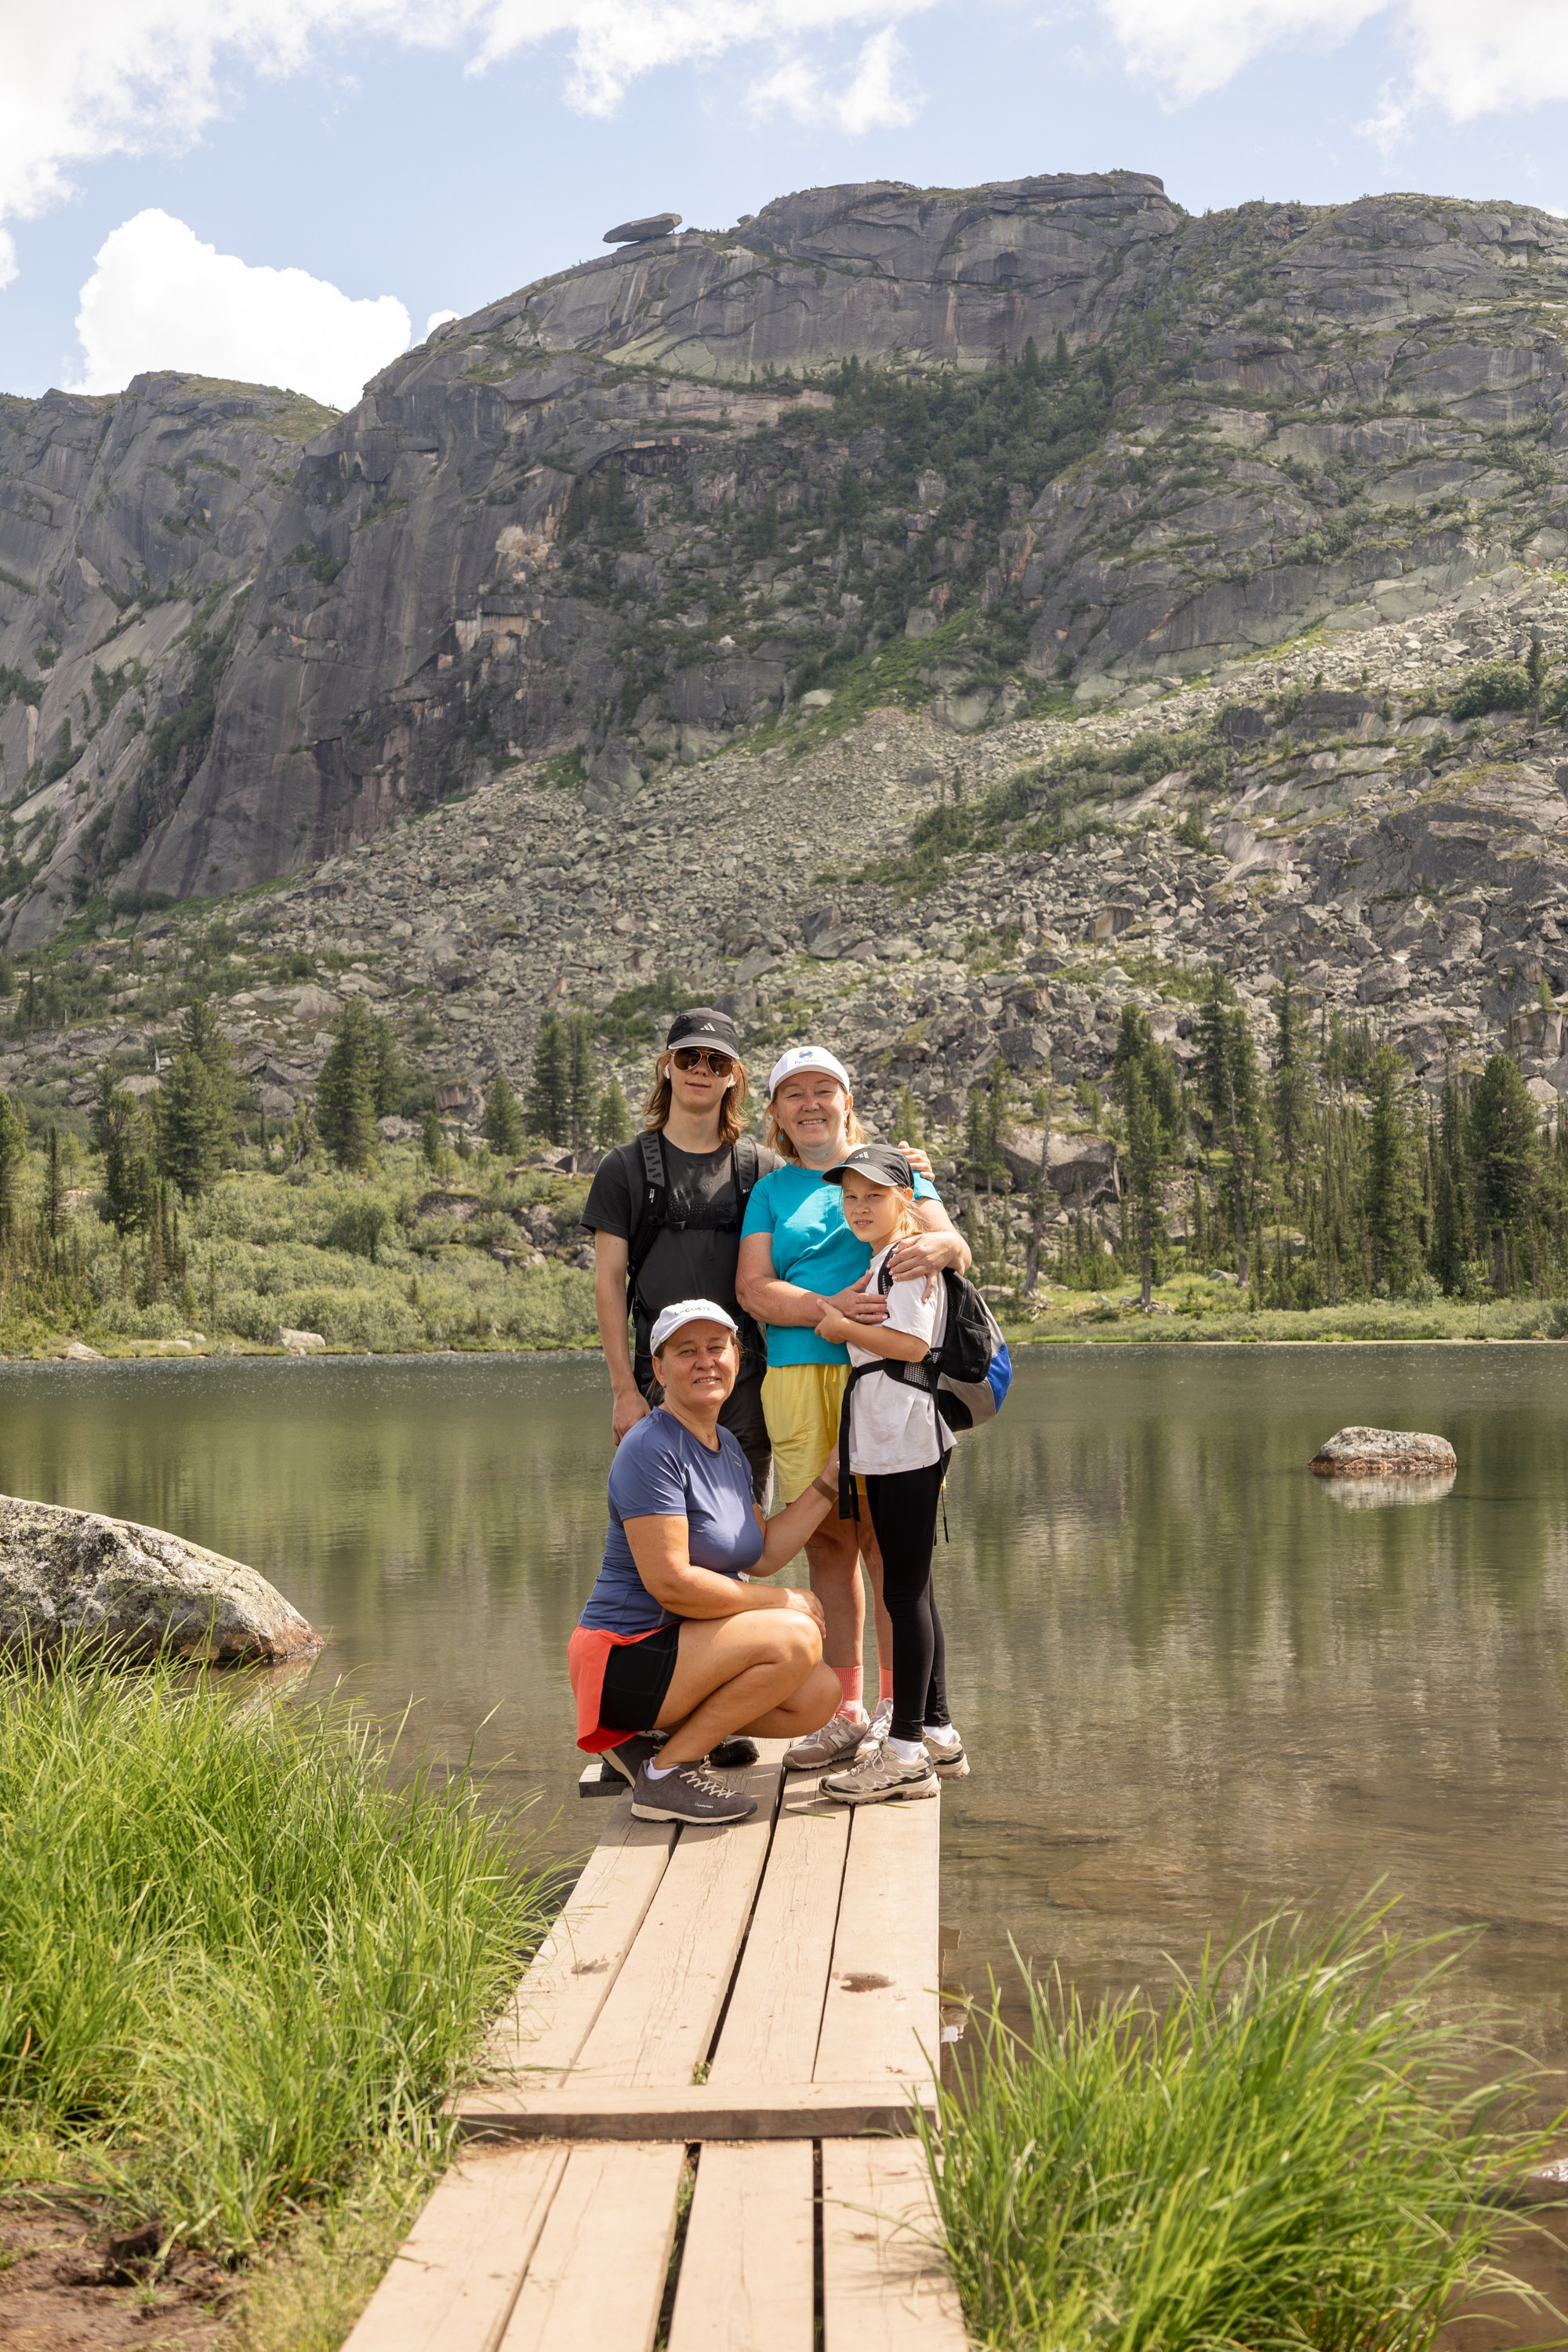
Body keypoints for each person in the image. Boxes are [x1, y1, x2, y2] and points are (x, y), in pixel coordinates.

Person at [735, 1045, 971, 1773]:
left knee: (888, 1547)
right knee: (829, 1546)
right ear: (775, 1113)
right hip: (803, 1378)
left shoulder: (899, 1171)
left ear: (847, 1101)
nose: (810, 1103)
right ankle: (844, 1712)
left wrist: (933, 1247)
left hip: (891, 1383)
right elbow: (753, 1288)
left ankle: (901, 1714)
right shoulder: (771, 1191)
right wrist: (825, 1307)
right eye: (794, 1094)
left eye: (823, 1090)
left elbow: (955, 1247)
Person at [568, 1299, 844, 1827]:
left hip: (684, 1653)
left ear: (737, 1359)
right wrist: (785, 1600)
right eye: (686, 1352)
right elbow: (672, 1584)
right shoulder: (651, 1448)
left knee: (818, 1698)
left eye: (717, 1348)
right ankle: (664, 1774)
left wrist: (832, 1477)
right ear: (659, 1368)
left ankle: (654, 1739)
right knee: (793, 1639)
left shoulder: (730, 1449)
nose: (705, 1362)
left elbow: (759, 1554)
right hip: (623, 1656)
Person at [810, 1144, 969, 1803]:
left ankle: (903, 1754)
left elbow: (911, 1347)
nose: (859, 1207)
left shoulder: (906, 1260)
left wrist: (836, 1324)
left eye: (874, 1194)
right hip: (892, 1437)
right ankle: (935, 1731)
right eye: (850, 1197)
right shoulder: (887, 1259)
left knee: (903, 1594)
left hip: (905, 1437)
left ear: (907, 1198)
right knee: (915, 1590)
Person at [583, 1007, 779, 1500]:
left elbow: (840, 1203)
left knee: (745, 1541)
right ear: (667, 1065)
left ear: (734, 1077)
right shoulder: (623, 1169)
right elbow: (608, 1282)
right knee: (666, 1551)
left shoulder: (761, 1168)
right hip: (658, 1389)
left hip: (747, 1390)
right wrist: (623, 1390)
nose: (701, 1070)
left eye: (717, 1062)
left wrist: (913, 1177)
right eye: (690, 1056)